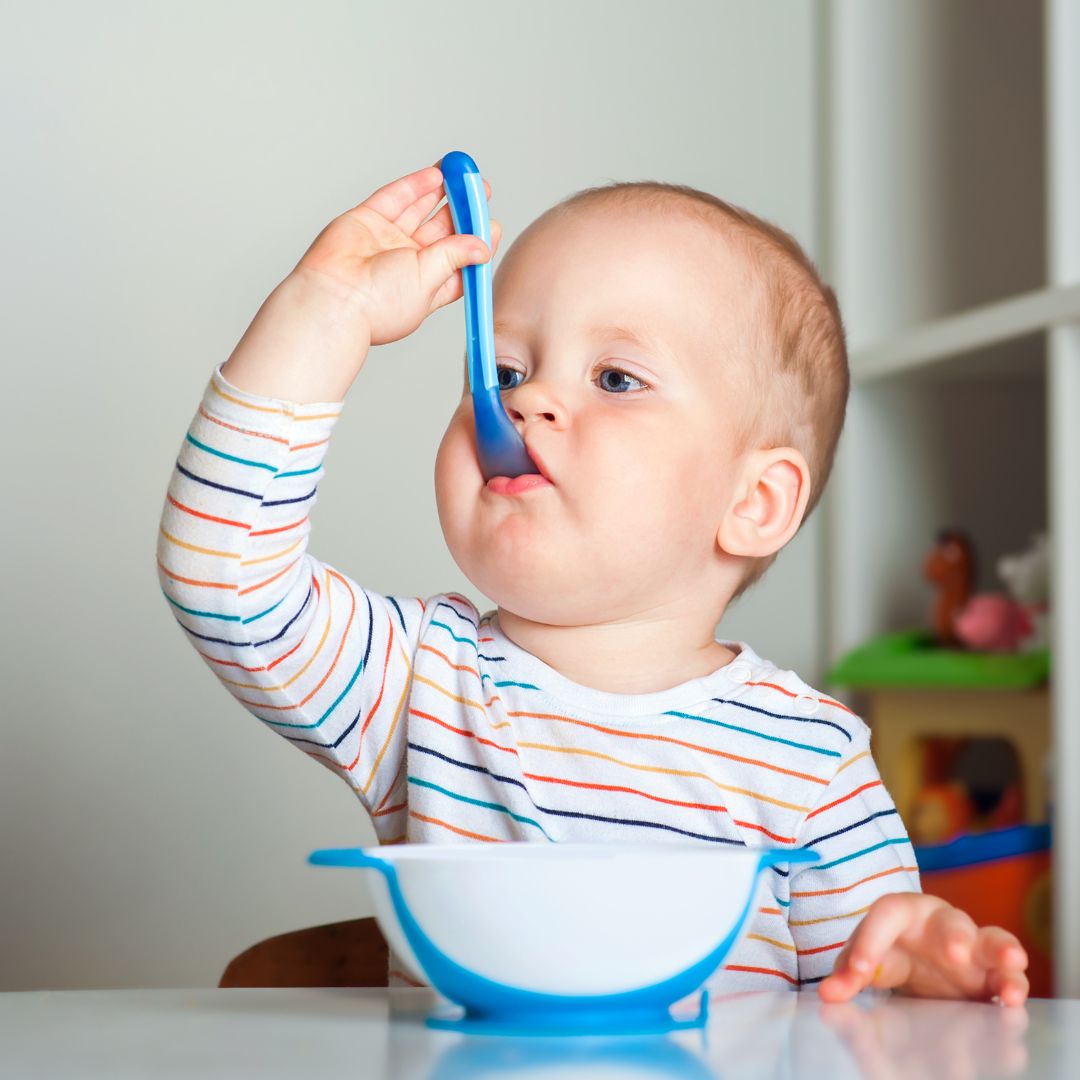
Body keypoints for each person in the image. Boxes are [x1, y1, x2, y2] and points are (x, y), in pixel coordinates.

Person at [157, 162, 1029, 1005]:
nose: (525, 402)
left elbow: (869, 1003)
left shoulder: (815, 762)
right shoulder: (420, 679)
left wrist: (917, 971)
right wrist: (328, 312)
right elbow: (222, 577)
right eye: (502, 372)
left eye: (616, 378)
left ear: (755, 502)